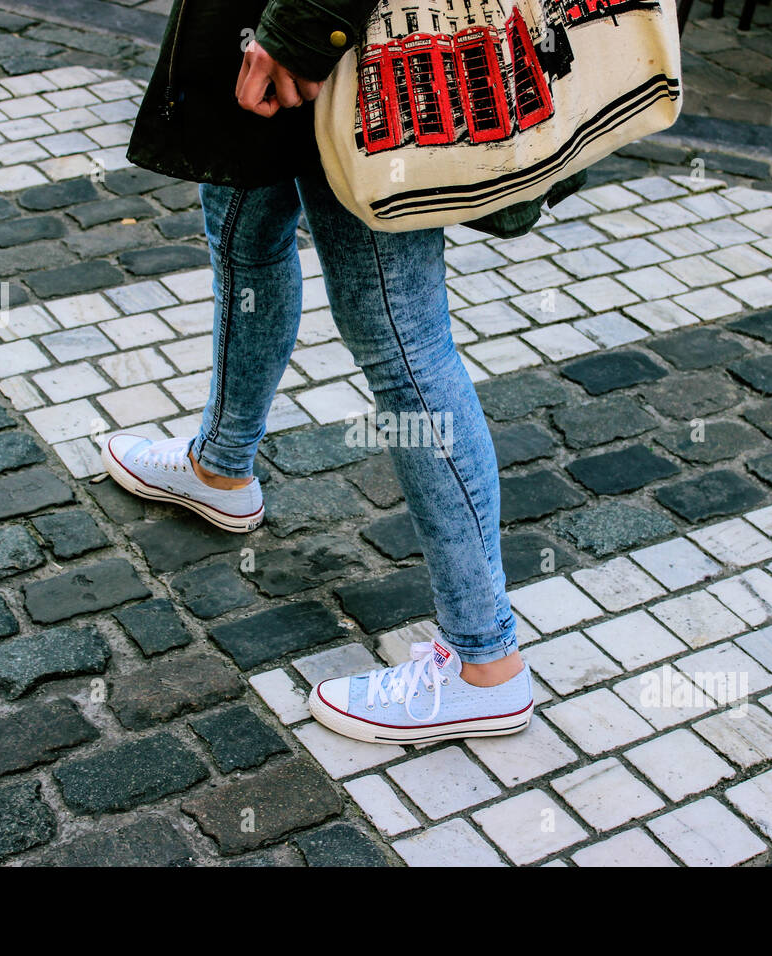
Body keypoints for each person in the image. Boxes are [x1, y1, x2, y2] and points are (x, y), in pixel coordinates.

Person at [109, 0, 583, 743]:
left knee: (401, 338)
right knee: (243, 228)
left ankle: (484, 662)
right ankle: (221, 467)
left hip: (345, 45)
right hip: (278, 28)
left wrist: (303, 28)